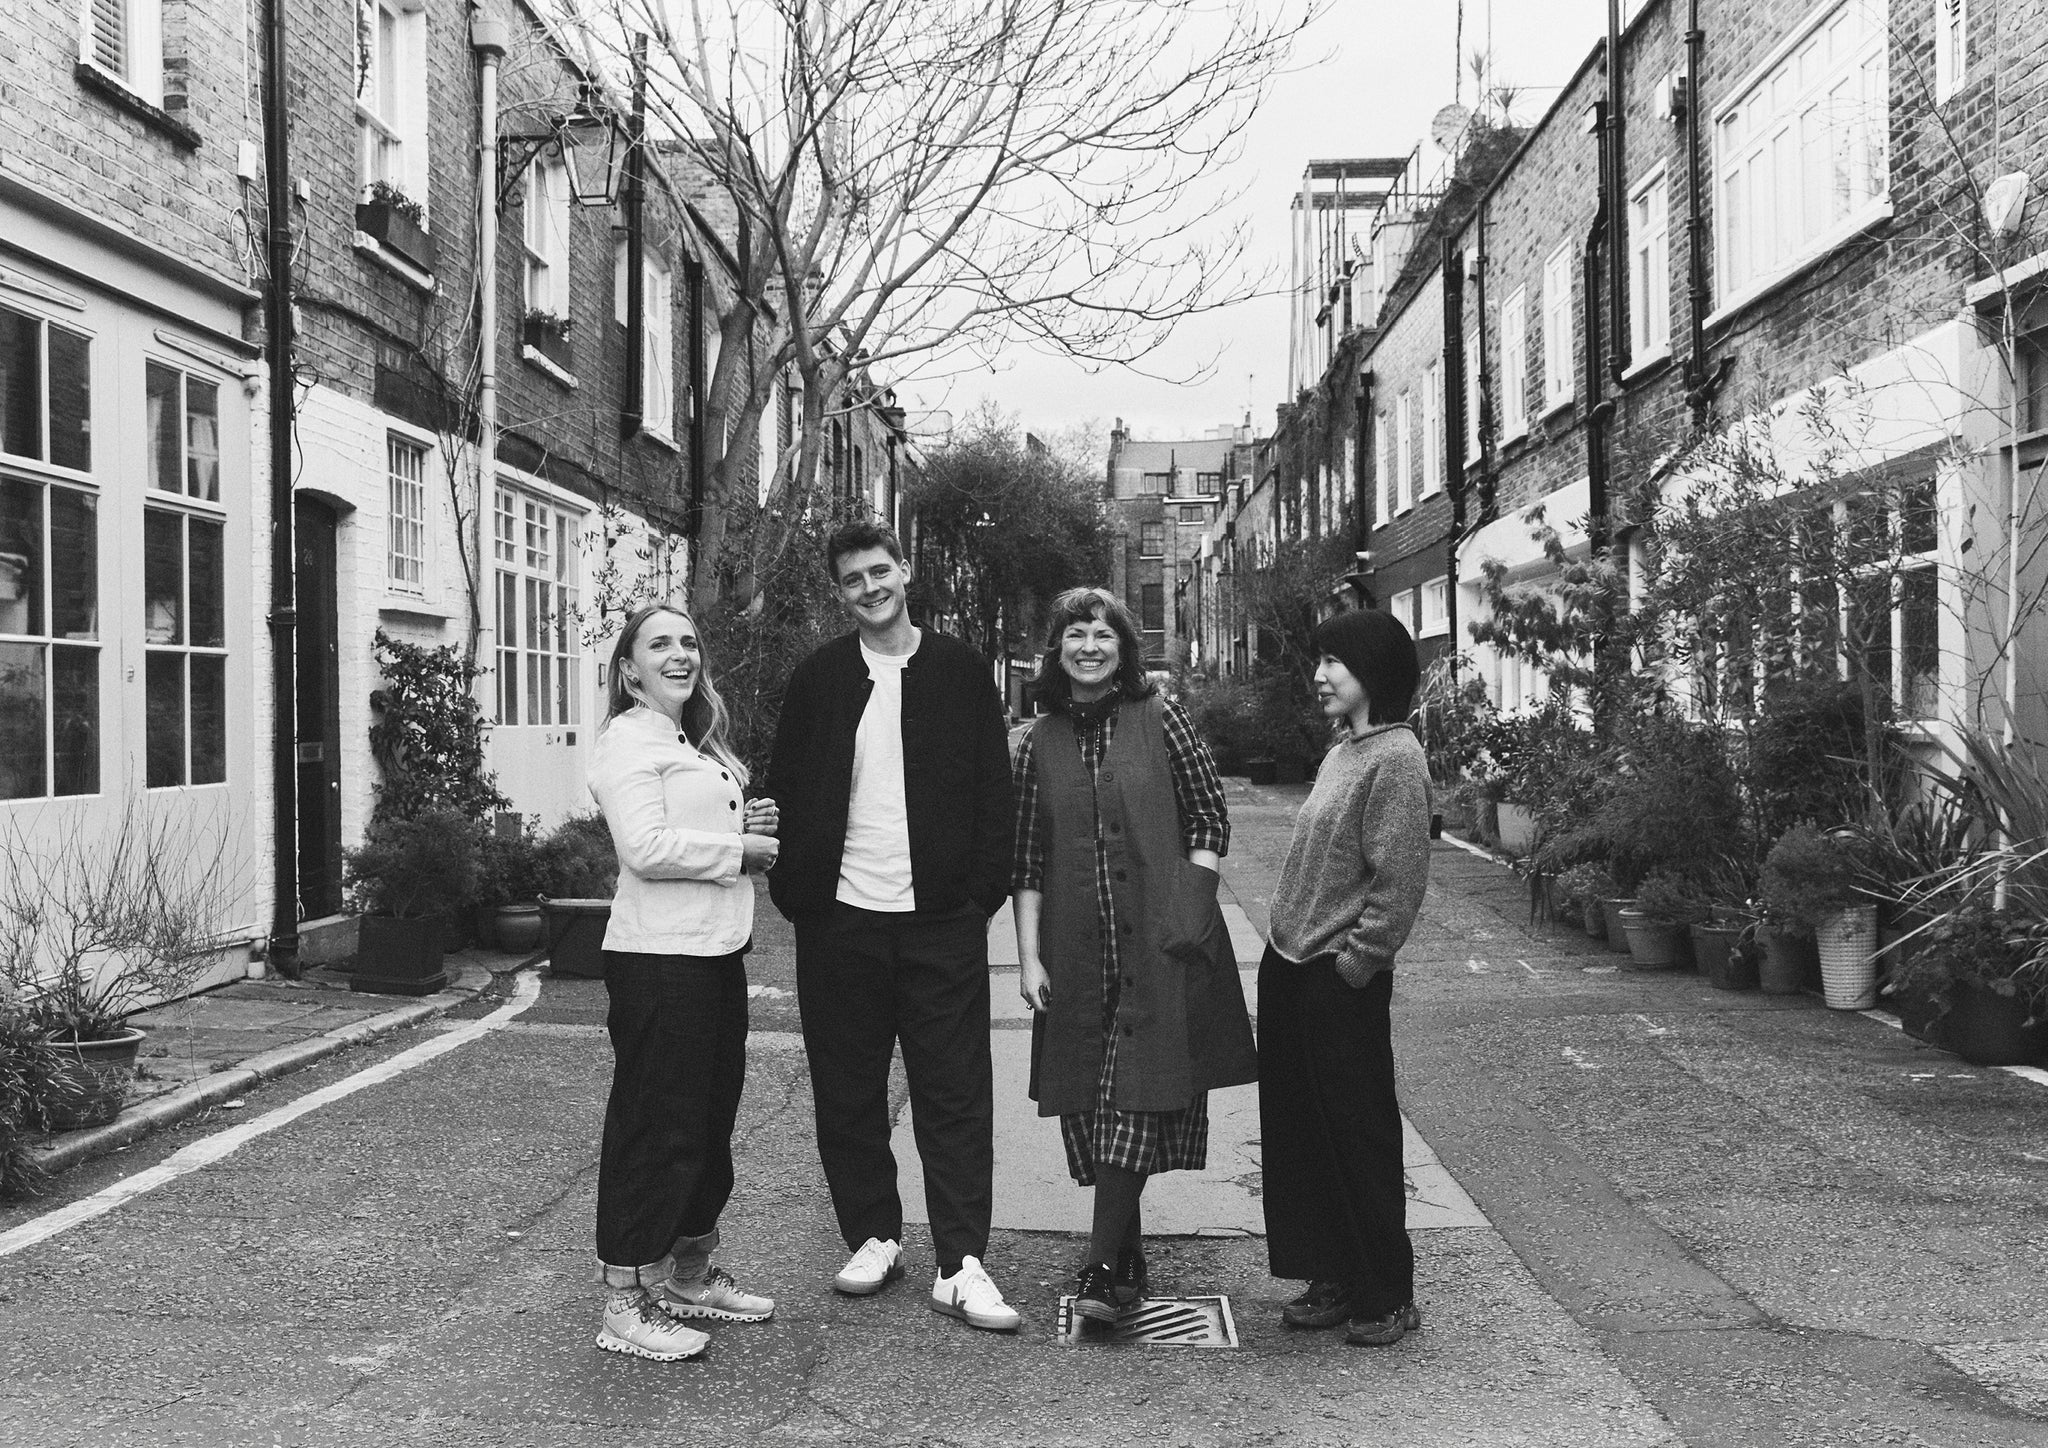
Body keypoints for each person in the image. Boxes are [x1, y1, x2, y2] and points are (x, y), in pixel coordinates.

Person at [764, 518, 1022, 1332]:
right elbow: (787, 789)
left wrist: (977, 896)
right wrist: (800, 894)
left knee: (954, 1093)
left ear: (904, 571)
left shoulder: (959, 671)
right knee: (848, 1091)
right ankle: (873, 1234)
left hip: (941, 921)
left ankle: (961, 1261)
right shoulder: (819, 679)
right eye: (852, 581)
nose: (869, 589)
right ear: (840, 593)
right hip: (840, 921)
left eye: (879, 572)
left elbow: (993, 793)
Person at [1011, 587, 1256, 1327]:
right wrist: (1028, 959)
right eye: (1075, 635)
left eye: (1103, 634)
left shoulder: (1162, 717)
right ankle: (1126, 1257)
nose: (1089, 646)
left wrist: (1190, 914)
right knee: (1096, 1106)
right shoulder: (1037, 740)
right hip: (1077, 957)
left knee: (1136, 1096)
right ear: (1057, 652)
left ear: (1123, 648)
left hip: (1158, 947)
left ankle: (1098, 1265)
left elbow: (1209, 815)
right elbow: (1023, 859)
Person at [585, 602, 782, 1362]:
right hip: (657, 961)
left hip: (711, 954)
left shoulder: (687, 740)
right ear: (629, 669)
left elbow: (694, 824)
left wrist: (746, 818)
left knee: (706, 1122)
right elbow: (644, 846)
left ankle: (691, 1273)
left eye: (690, 642)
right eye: (659, 644)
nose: (681, 654)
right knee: (654, 1127)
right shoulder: (626, 741)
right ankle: (625, 1300)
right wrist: (740, 850)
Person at [1258, 607, 1433, 1347]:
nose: (1319, 673)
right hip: (1291, 964)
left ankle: (1387, 1290)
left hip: (1338, 975)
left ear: (1376, 672)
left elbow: (1399, 881)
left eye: (1336, 661)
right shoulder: (1343, 752)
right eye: (1320, 658)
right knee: (1301, 1133)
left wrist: (1357, 963)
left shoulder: (1395, 758)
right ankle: (1330, 1274)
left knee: (1357, 1132)